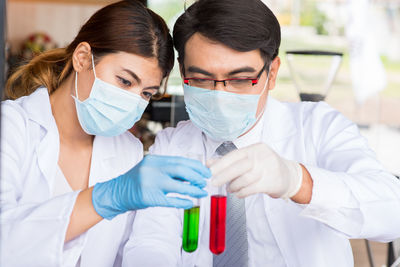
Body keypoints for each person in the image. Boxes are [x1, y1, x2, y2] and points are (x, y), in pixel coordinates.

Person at [122, 0, 400, 266]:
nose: (220, 94)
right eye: (201, 79)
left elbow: (391, 213)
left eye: (241, 79)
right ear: (182, 73)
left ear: (273, 72)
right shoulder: (173, 146)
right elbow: (151, 241)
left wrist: (299, 182)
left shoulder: (317, 127)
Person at [0, 1, 211, 266]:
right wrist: (106, 198)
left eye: (146, 93)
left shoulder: (128, 151)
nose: (134, 102)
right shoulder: (11, 128)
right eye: (125, 81)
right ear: (83, 58)